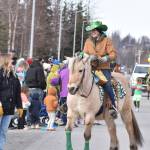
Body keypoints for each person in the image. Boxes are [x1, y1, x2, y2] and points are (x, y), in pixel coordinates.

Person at [83, 20, 117, 118]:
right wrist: (87, 57)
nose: (92, 32)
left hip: (103, 68)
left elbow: (113, 54)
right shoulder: (88, 41)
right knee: (79, 81)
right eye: (92, 30)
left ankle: (113, 107)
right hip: (90, 67)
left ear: (99, 31)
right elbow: (85, 52)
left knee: (106, 84)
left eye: (94, 30)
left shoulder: (107, 40)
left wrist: (104, 59)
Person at [0, 53, 23, 150]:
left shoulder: (14, 77)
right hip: (0, 106)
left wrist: (19, 106)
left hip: (9, 108)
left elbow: (17, 93)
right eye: (10, 60)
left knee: (3, 131)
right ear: (5, 61)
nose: (12, 62)